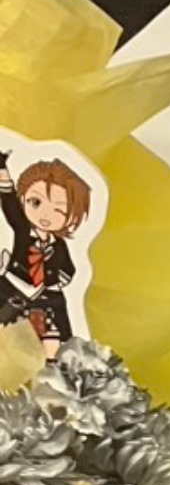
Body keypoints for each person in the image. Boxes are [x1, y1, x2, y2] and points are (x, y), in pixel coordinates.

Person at [0, 150, 93, 354]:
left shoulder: (59, 245)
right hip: (14, 287)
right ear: (23, 199)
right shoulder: (23, 231)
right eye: (36, 202)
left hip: (46, 296)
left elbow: (69, 268)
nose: (45, 215)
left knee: (54, 335)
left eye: (59, 211)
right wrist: (2, 169)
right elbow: (9, 204)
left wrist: (58, 280)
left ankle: (56, 361)